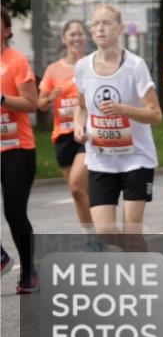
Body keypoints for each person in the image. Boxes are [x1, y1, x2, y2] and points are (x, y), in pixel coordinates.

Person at [74, 4, 163, 253]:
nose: (100, 28)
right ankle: (137, 256)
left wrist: (124, 110)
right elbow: (81, 106)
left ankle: (138, 266)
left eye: (107, 23)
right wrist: (78, 125)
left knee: (132, 231)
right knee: (105, 231)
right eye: (95, 24)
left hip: (136, 159)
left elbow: (156, 115)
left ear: (120, 28)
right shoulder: (83, 67)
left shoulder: (135, 65)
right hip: (101, 159)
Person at [38, 20, 96, 245]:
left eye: (80, 34)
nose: (76, 38)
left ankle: (94, 237)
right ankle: (94, 235)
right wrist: (51, 97)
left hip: (86, 134)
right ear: (64, 39)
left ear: (85, 38)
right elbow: (41, 104)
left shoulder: (92, 65)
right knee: (79, 192)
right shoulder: (53, 70)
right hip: (62, 137)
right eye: (72, 34)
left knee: (76, 185)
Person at [1, 5, 40, 293]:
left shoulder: (16, 61)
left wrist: (2, 98)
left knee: (14, 212)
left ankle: (28, 271)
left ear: (7, 30)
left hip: (18, 148)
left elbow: (31, 103)